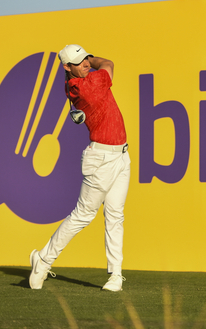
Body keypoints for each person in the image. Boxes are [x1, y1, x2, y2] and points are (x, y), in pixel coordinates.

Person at [29, 44, 131, 292]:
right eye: (79, 61)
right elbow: (109, 64)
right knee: (83, 214)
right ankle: (43, 260)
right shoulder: (82, 86)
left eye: (86, 57)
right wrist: (95, 60)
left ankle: (115, 275)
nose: (85, 63)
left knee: (115, 215)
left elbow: (104, 66)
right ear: (67, 67)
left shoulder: (83, 79)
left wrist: (88, 60)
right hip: (100, 159)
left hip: (121, 156)